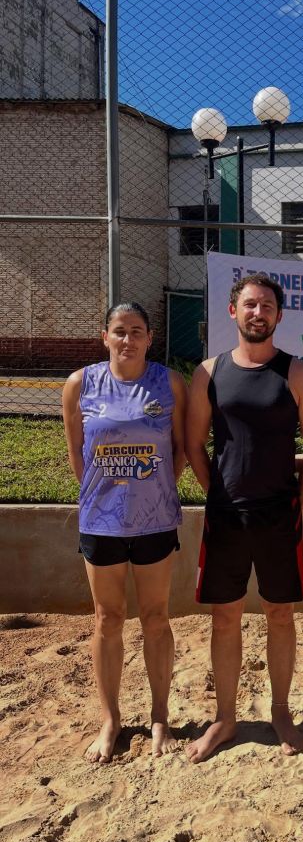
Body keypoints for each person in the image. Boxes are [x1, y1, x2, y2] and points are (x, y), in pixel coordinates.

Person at [185, 272, 303, 763]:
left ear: (279, 315)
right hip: (226, 519)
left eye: (267, 305)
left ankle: (280, 712)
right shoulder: (209, 372)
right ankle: (225, 718)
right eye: (249, 304)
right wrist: (218, 494)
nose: (258, 312)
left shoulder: (297, 374)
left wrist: (298, 501)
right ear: (233, 311)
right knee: (225, 619)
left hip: (278, 517)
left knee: (280, 615)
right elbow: (194, 444)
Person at [62, 301, 187, 763]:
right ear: (105, 337)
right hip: (102, 521)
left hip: (155, 519)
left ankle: (160, 716)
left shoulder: (169, 382)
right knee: (107, 619)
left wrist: (152, 492)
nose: (128, 339)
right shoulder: (80, 384)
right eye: (119, 331)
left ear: (150, 338)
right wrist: (105, 495)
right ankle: (110, 719)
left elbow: (180, 450)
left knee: (155, 618)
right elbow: (78, 453)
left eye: (137, 331)